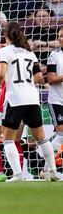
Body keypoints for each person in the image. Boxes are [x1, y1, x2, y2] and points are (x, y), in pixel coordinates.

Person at [0, 21, 59, 182]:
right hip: (32, 98)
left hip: (15, 99)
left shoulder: (4, 51)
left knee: (8, 138)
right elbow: (38, 78)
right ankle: (53, 172)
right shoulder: (30, 53)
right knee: (42, 137)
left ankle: (17, 175)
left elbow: (1, 74)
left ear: (7, 35)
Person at [44, 26, 63, 179]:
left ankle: (46, 169)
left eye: (62, 36)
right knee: (62, 133)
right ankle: (46, 168)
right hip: (57, 100)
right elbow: (51, 79)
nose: (60, 38)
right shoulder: (54, 55)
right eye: (59, 36)